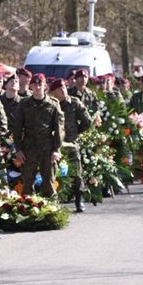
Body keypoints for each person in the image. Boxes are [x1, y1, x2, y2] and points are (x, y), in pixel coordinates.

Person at [13, 73, 64, 198]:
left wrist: (56, 149)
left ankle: (51, 213)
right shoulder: (24, 104)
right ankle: (27, 212)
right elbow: (17, 128)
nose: (37, 86)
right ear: (30, 86)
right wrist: (18, 149)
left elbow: (59, 129)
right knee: (27, 184)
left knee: (49, 183)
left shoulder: (53, 104)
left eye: (40, 84)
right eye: (34, 84)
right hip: (29, 147)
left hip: (47, 147)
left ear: (45, 85)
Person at [48, 78, 92, 211]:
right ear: (54, 92)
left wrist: (76, 132)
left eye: (64, 87)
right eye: (59, 89)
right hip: (54, 144)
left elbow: (87, 121)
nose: (63, 90)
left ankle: (79, 200)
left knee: (76, 173)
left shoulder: (74, 102)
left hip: (71, 143)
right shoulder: (50, 104)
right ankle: (55, 200)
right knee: (52, 173)